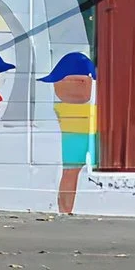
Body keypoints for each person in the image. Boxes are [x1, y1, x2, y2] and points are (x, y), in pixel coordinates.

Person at [41, 52, 98, 215]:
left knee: (70, 173)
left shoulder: (60, 106)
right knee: (71, 172)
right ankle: (65, 210)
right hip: (80, 135)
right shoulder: (86, 105)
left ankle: (65, 210)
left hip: (74, 135)